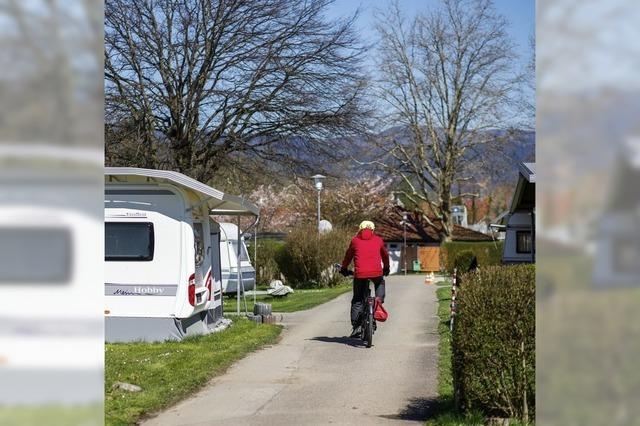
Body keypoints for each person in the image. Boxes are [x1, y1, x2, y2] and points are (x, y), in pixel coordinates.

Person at [340, 220, 390, 337]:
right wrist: (386, 267)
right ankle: (378, 301)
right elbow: (385, 255)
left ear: (360, 229)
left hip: (360, 274)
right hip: (376, 273)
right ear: (372, 230)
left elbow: (348, 256)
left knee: (357, 300)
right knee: (380, 283)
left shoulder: (355, 241)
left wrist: (344, 268)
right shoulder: (378, 240)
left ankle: (356, 327)